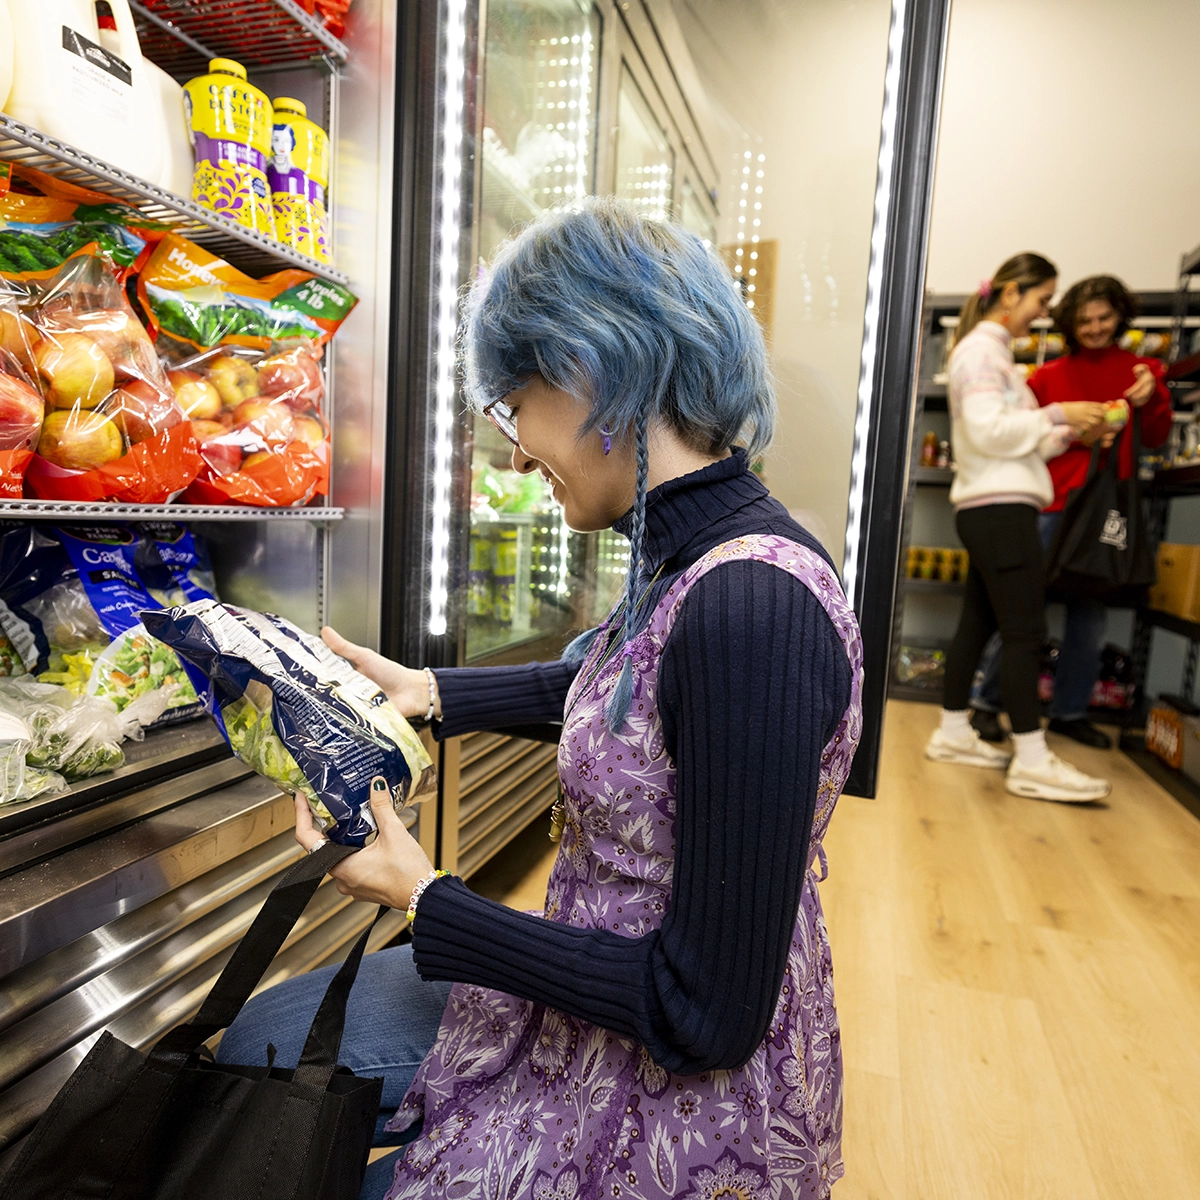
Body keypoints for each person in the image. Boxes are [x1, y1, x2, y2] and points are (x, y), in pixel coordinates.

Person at [217, 197, 863, 1200]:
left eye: (513, 406)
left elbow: (704, 1015)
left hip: (668, 1094)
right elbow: (621, 692)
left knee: (275, 1071)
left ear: (593, 371)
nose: (513, 449)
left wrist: (425, 899)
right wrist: (427, 692)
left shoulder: (752, 608)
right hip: (599, 979)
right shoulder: (694, 546)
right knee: (263, 1037)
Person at [924, 252, 1111, 802]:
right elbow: (988, 430)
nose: (1043, 312)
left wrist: (1073, 430)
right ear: (1010, 296)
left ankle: (954, 732)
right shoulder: (983, 352)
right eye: (1041, 300)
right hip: (1001, 510)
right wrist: (1059, 414)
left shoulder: (990, 354)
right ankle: (1032, 758)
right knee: (1026, 631)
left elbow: (1012, 436)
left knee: (978, 624)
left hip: (992, 504)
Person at [969, 274, 1173, 749]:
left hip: (1106, 512)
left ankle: (1070, 712)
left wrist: (1155, 396)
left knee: (1090, 614)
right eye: (1084, 320)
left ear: (1121, 316)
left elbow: (1158, 437)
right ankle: (989, 703)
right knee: (1023, 612)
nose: (1095, 327)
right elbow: (1023, 440)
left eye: (1104, 318)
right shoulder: (1047, 377)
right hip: (1049, 505)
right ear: (1068, 323)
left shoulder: (1143, 372)